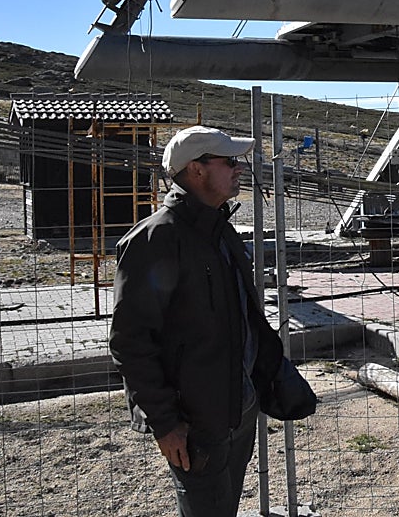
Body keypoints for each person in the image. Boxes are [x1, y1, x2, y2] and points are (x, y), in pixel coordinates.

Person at [110, 126, 283, 517]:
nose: (239, 169)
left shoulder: (220, 230)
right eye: (230, 161)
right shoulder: (156, 240)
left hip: (237, 410)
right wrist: (165, 423)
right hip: (194, 425)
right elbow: (130, 341)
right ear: (197, 170)